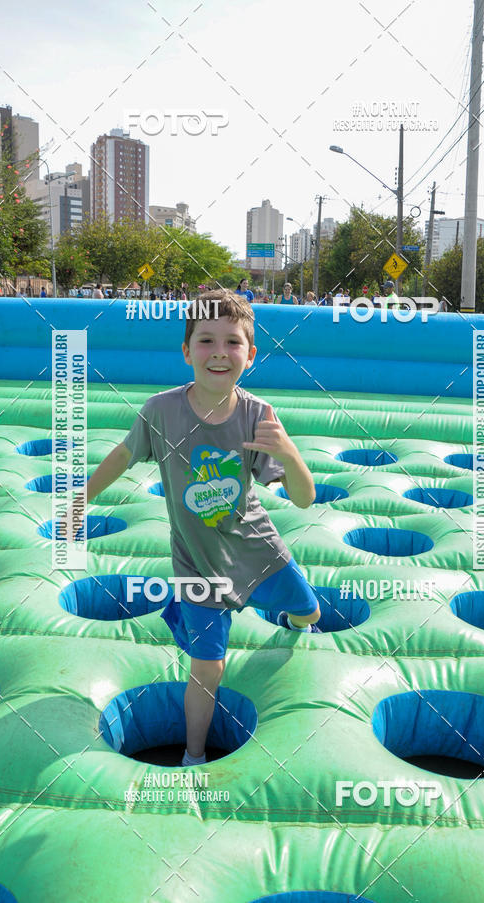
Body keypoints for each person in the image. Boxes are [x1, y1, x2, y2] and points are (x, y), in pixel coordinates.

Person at [64, 290, 321, 767]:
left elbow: (304, 500)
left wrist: (290, 453)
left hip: (258, 553)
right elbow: (122, 455)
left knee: (309, 612)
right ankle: (194, 753)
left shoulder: (256, 415)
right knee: (207, 667)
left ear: (251, 354)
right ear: (186, 351)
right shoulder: (161, 412)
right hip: (197, 568)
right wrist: (81, 499)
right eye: (205, 341)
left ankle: (293, 617)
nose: (219, 352)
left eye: (232, 342)